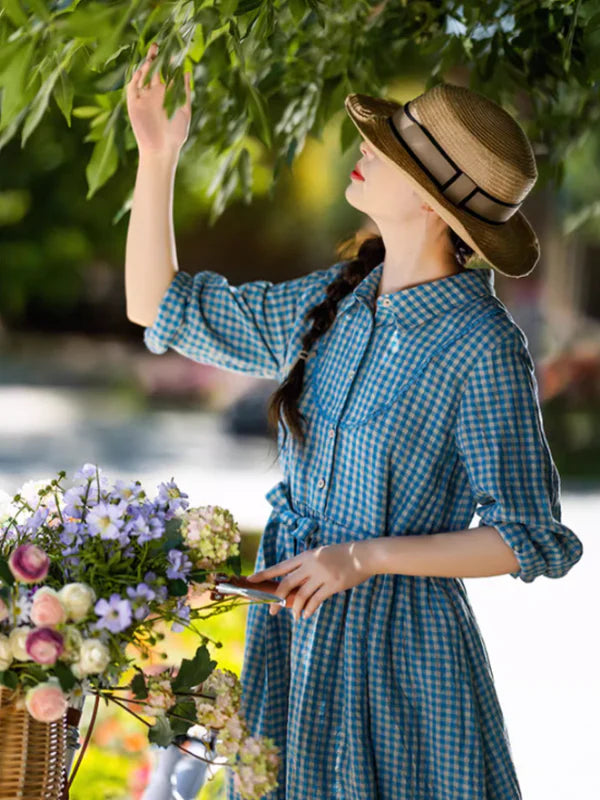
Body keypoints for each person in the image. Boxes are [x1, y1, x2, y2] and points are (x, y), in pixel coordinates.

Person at [125, 42, 584, 800]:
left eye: (391, 149)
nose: (365, 147)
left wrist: (363, 557)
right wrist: (158, 152)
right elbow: (158, 306)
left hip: (402, 663)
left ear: (436, 204)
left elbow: (530, 537)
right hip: (294, 643)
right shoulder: (333, 301)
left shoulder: (481, 345)